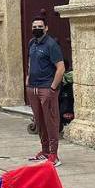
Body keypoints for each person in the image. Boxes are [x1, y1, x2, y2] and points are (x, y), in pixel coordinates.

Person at [26, 15, 65, 167]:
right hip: (33, 88)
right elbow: (30, 63)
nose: (37, 29)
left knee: (51, 121)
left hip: (46, 88)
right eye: (34, 27)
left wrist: (52, 88)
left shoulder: (51, 45)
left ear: (46, 28)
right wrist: (28, 80)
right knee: (40, 121)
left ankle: (54, 155)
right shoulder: (32, 43)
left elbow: (60, 68)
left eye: (40, 26)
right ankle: (44, 151)